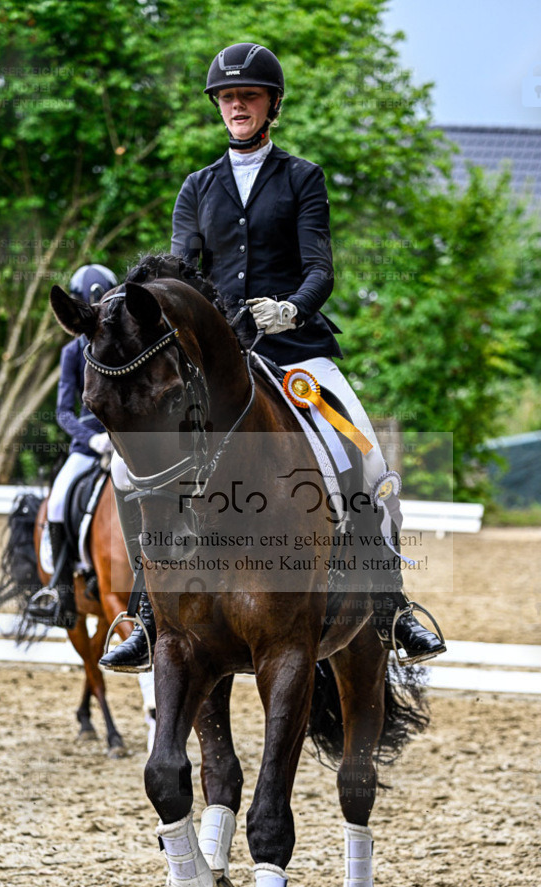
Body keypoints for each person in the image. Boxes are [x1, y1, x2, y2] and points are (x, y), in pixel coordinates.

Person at [100, 43, 445, 671]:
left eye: (248, 96)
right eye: (227, 98)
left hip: (296, 351)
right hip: (218, 364)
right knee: (129, 473)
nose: (236, 104)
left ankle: (392, 606)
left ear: (271, 105)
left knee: (364, 455)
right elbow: (181, 273)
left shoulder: (302, 178)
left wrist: (291, 309)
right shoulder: (196, 187)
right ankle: (149, 616)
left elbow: (321, 267)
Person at [37, 264, 117, 628]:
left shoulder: (121, 344)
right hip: (88, 447)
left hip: (126, 442)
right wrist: (93, 439)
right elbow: (63, 413)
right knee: (57, 501)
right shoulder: (72, 353)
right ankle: (60, 589)